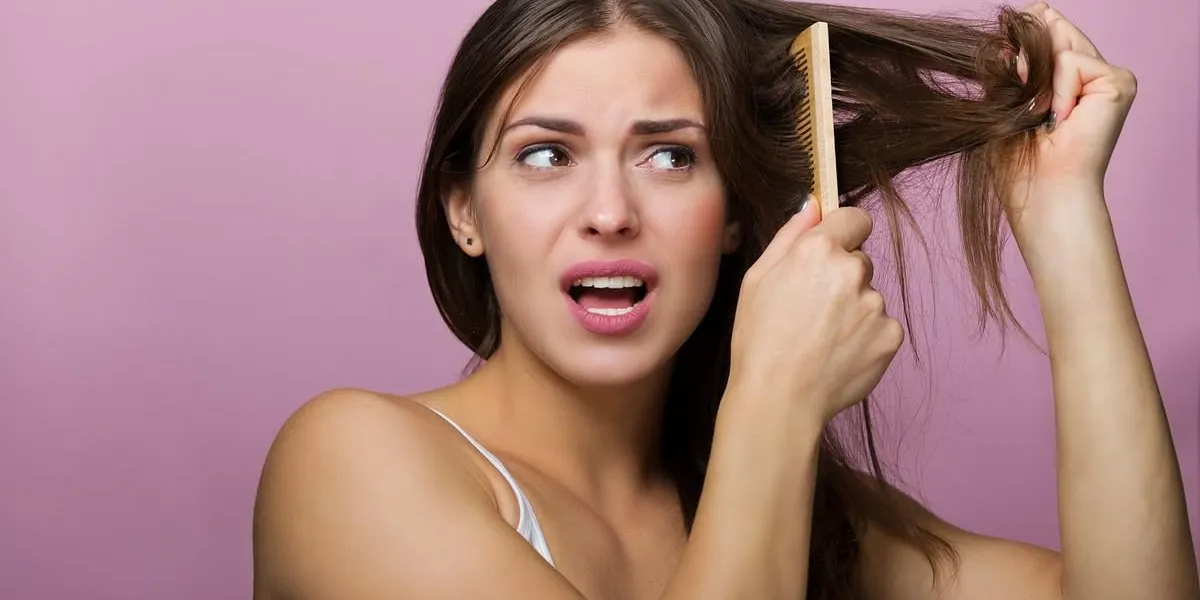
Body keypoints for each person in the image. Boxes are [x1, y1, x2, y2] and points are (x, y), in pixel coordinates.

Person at [251, 0, 1199, 598]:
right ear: (465, 210)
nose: (611, 213)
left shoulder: (792, 505)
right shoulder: (348, 463)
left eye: (670, 155)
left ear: (736, 215)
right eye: (547, 155)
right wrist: (775, 401)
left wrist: (1062, 214)